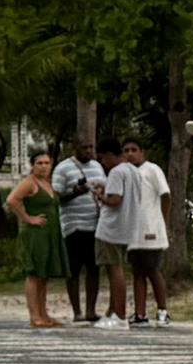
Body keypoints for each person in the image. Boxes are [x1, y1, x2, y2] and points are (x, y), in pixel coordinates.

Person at [102, 135, 171, 323]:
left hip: (151, 228)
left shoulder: (152, 170)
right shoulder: (125, 173)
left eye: (134, 150)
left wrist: (162, 221)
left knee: (152, 269)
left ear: (142, 152)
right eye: (126, 151)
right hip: (132, 230)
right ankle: (140, 313)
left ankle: (163, 311)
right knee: (137, 271)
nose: (130, 154)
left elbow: (165, 196)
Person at [52, 136, 111, 323]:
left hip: (95, 223)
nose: (88, 151)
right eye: (84, 147)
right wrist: (74, 193)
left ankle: (91, 310)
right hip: (74, 225)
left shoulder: (97, 166)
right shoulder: (63, 169)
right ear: (74, 147)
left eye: (90, 147)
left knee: (94, 268)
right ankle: (77, 311)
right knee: (74, 270)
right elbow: (56, 197)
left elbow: (105, 187)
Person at [9, 146, 65, 329]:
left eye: (47, 163)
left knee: (44, 275)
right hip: (36, 234)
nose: (43, 166)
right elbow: (12, 200)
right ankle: (34, 316)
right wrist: (27, 218)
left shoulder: (48, 183)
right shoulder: (29, 182)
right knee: (34, 274)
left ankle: (43, 313)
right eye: (39, 163)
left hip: (50, 233)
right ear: (32, 165)